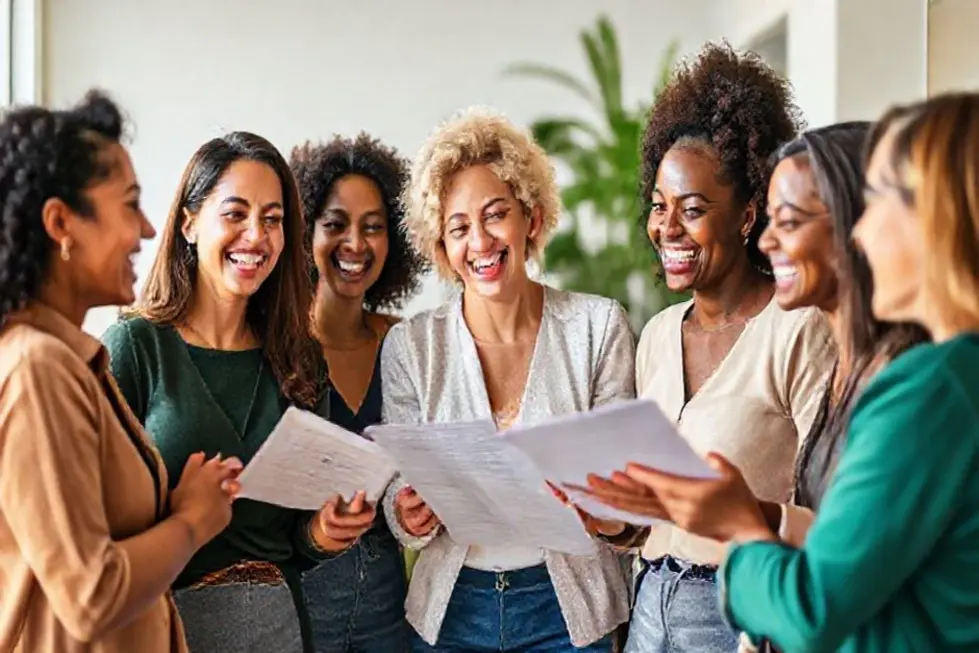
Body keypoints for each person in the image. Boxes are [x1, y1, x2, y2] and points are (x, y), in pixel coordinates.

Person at [635, 91, 979, 653]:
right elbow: (865, 546)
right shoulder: (943, 374)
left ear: (936, 219)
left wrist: (740, 528)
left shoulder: (932, 386)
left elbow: (813, 607)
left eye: (879, 205)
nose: (862, 233)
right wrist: (750, 515)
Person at [577, 43, 837, 653]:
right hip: (650, 606)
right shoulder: (658, 336)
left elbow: (831, 517)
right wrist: (614, 520)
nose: (667, 228)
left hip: (737, 612)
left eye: (692, 210)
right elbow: (656, 517)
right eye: (659, 207)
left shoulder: (797, 328)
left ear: (748, 215)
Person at [379, 108, 636, 653]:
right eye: (458, 228)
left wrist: (599, 507)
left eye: (496, 215)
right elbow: (398, 495)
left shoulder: (597, 327)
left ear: (532, 219)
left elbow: (624, 494)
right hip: (453, 613)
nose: (480, 241)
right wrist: (407, 512)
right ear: (442, 248)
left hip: (567, 614)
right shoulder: (412, 346)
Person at [0, 91, 239, 652]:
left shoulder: (72, 360)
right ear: (61, 222)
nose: (148, 230)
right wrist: (192, 522)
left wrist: (175, 507)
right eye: (130, 205)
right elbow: (91, 596)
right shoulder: (38, 369)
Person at [102, 132, 356, 652]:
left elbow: (298, 540)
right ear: (190, 224)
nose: (256, 236)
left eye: (272, 219)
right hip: (166, 631)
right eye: (236, 214)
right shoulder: (136, 347)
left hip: (280, 629)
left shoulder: (301, 359)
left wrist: (326, 532)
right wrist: (182, 515)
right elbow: (93, 526)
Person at [290, 133, 427, 651]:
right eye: (335, 225)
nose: (356, 243)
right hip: (305, 596)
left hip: (387, 599)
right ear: (305, 231)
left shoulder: (403, 340)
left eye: (373, 227)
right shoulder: (277, 345)